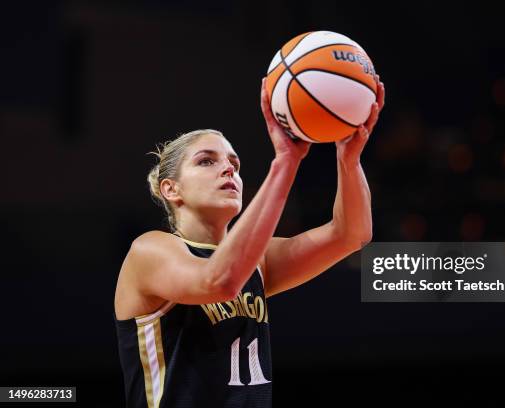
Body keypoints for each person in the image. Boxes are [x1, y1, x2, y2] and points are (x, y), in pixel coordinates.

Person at [114, 76, 385, 407]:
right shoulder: (150, 251)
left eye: (234, 164)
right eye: (206, 160)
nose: (228, 169)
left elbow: (351, 234)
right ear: (172, 189)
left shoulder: (258, 261)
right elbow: (220, 280)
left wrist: (348, 157)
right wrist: (285, 162)